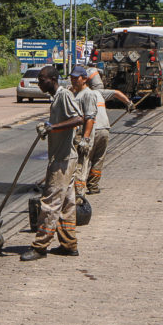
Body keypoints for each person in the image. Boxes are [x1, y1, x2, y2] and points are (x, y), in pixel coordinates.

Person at [21, 66, 84, 261]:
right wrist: (48, 128)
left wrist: (53, 127)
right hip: (64, 157)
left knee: (50, 203)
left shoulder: (64, 95)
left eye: (42, 79)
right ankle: (68, 244)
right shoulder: (56, 98)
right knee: (67, 203)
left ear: (53, 79)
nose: (39, 83)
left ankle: (40, 247)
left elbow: (79, 118)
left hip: (63, 160)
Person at [68, 66, 97, 198]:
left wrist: (85, 139)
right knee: (72, 170)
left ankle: (80, 198)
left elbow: (90, 118)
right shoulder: (74, 93)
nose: (73, 80)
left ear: (84, 79)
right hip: (73, 139)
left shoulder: (88, 94)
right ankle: (73, 197)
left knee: (80, 170)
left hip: (81, 140)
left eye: (76, 78)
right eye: (72, 78)